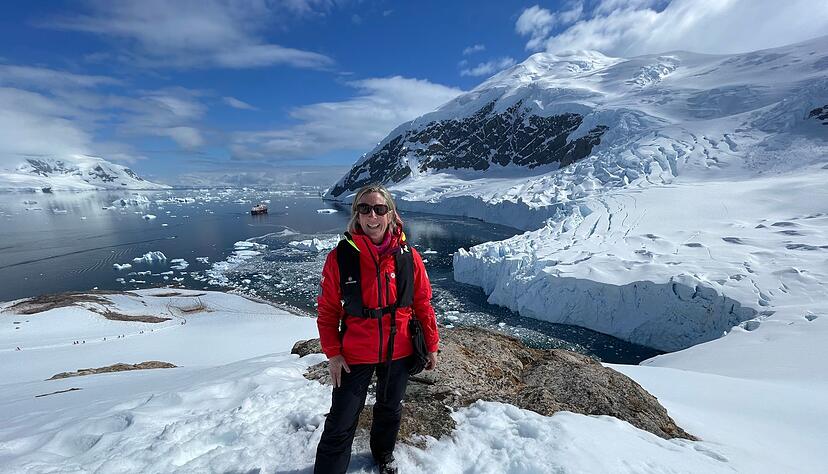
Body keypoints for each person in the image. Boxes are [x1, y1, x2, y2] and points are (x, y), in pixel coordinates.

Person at [314, 184, 440, 474]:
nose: (373, 215)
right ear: (356, 215)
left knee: (390, 408)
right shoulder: (341, 258)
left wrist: (431, 344)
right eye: (365, 209)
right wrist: (333, 354)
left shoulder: (408, 256)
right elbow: (328, 311)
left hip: (400, 348)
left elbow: (422, 303)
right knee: (342, 418)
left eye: (380, 209)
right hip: (356, 352)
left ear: (391, 214)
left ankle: (383, 454)